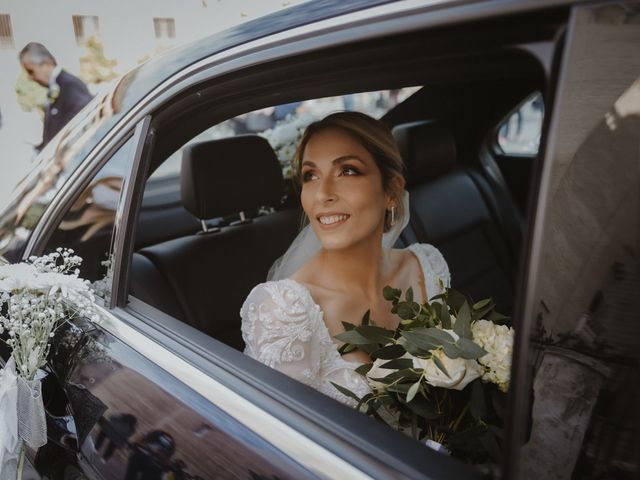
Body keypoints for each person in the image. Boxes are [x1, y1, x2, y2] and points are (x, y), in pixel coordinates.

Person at [240, 111, 450, 406]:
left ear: (391, 190)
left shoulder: (426, 266)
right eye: (310, 176)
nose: (322, 194)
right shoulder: (284, 311)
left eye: (347, 171)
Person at [19, 42, 93, 151]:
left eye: (30, 71)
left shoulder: (70, 85)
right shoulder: (55, 88)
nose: (30, 77)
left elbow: (79, 129)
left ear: (46, 63)